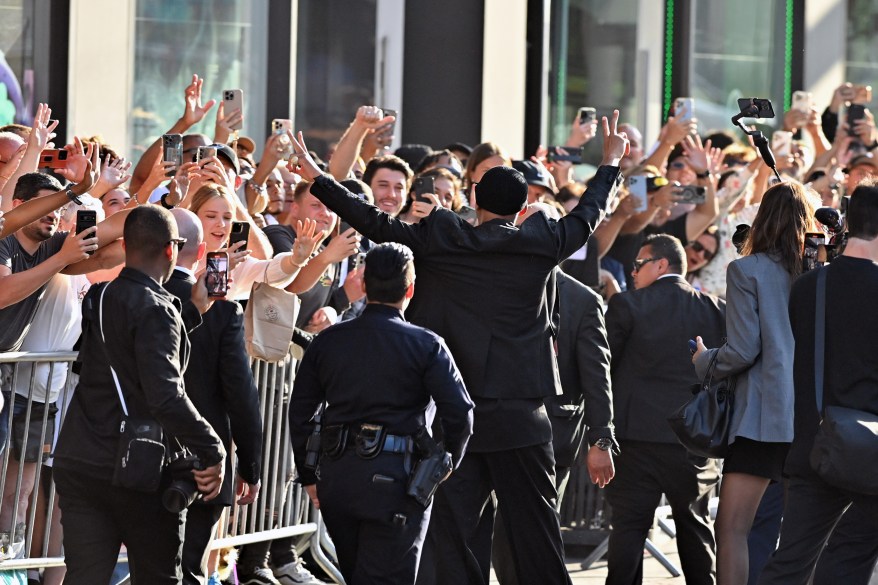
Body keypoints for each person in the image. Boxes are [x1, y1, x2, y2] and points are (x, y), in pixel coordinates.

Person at [286, 110, 629, 585]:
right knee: (536, 537)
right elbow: (588, 214)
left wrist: (319, 179)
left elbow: (373, 221)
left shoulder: (442, 236)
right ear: (523, 206)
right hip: (521, 416)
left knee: (453, 542)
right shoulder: (542, 241)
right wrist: (610, 163)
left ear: (473, 198)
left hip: (453, 415)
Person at [53, 205, 226, 584]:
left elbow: (125, 350)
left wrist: (189, 314)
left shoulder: (97, 297)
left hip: (82, 458)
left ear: (128, 247)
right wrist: (213, 449)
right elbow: (164, 395)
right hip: (139, 468)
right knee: (158, 576)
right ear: (170, 251)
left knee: (85, 577)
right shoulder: (158, 309)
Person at [288, 242, 474, 585]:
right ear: (411, 289)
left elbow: (300, 412)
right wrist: (444, 462)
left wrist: (310, 474)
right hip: (399, 481)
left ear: (364, 283)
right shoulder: (426, 344)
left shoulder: (329, 342)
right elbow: (460, 411)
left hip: (340, 478)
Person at [692, 182, 816, 585]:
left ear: (763, 219)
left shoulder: (746, 269)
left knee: (732, 529)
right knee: (804, 536)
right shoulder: (821, 273)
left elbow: (743, 350)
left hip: (764, 418)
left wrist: (703, 360)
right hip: (813, 419)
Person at [757, 183, 878, 584]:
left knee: (790, 561)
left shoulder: (809, 285)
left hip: (815, 443)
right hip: (872, 448)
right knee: (850, 556)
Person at [605, 234, 725, 585]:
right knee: (696, 531)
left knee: (628, 529)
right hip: (694, 439)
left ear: (660, 265)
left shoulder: (627, 305)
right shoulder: (716, 309)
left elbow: (605, 369)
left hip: (634, 438)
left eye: (638, 265)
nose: (633, 272)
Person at [164, 208, 264, 585]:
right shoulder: (223, 311)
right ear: (202, 249)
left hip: (133, 452)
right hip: (204, 462)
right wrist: (251, 465)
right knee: (187, 568)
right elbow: (241, 393)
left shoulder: (124, 296)